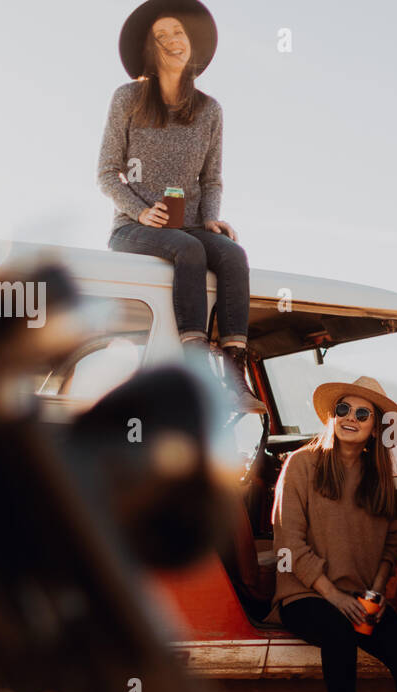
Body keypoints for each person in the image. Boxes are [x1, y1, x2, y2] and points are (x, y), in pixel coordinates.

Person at [96, 0, 265, 414]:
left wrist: (210, 218)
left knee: (231, 254)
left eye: (179, 32)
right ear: (151, 50)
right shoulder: (128, 99)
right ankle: (195, 366)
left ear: (191, 43)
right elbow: (105, 172)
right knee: (188, 250)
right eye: (162, 35)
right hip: (132, 228)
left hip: (189, 228)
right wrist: (140, 212)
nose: (174, 40)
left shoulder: (210, 111)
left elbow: (211, 180)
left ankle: (233, 374)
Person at [269, 376, 397, 692]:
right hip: (306, 596)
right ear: (332, 417)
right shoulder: (301, 464)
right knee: (340, 635)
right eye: (343, 409)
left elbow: (392, 542)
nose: (350, 418)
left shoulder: (380, 477)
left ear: (374, 428)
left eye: (362, 413)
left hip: (359, 599)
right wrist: (335, 597)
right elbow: (289, 544)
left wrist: (376, 589)